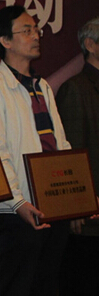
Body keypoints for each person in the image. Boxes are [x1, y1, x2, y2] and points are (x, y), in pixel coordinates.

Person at [0, 5, 71, 296]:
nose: (36, 35)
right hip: (19, 210)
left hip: (54, 202)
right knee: (17, 286)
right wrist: (17, 203)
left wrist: (77, 195)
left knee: (47, 285)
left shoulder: (43, 86)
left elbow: (60, 143)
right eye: (26, 30)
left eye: (36, 29)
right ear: (5, 41)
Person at [56, 17, 99, 296]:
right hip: (90, 215)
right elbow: (69, 152)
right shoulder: (76, 88)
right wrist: (75, 205)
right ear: (90, 45)